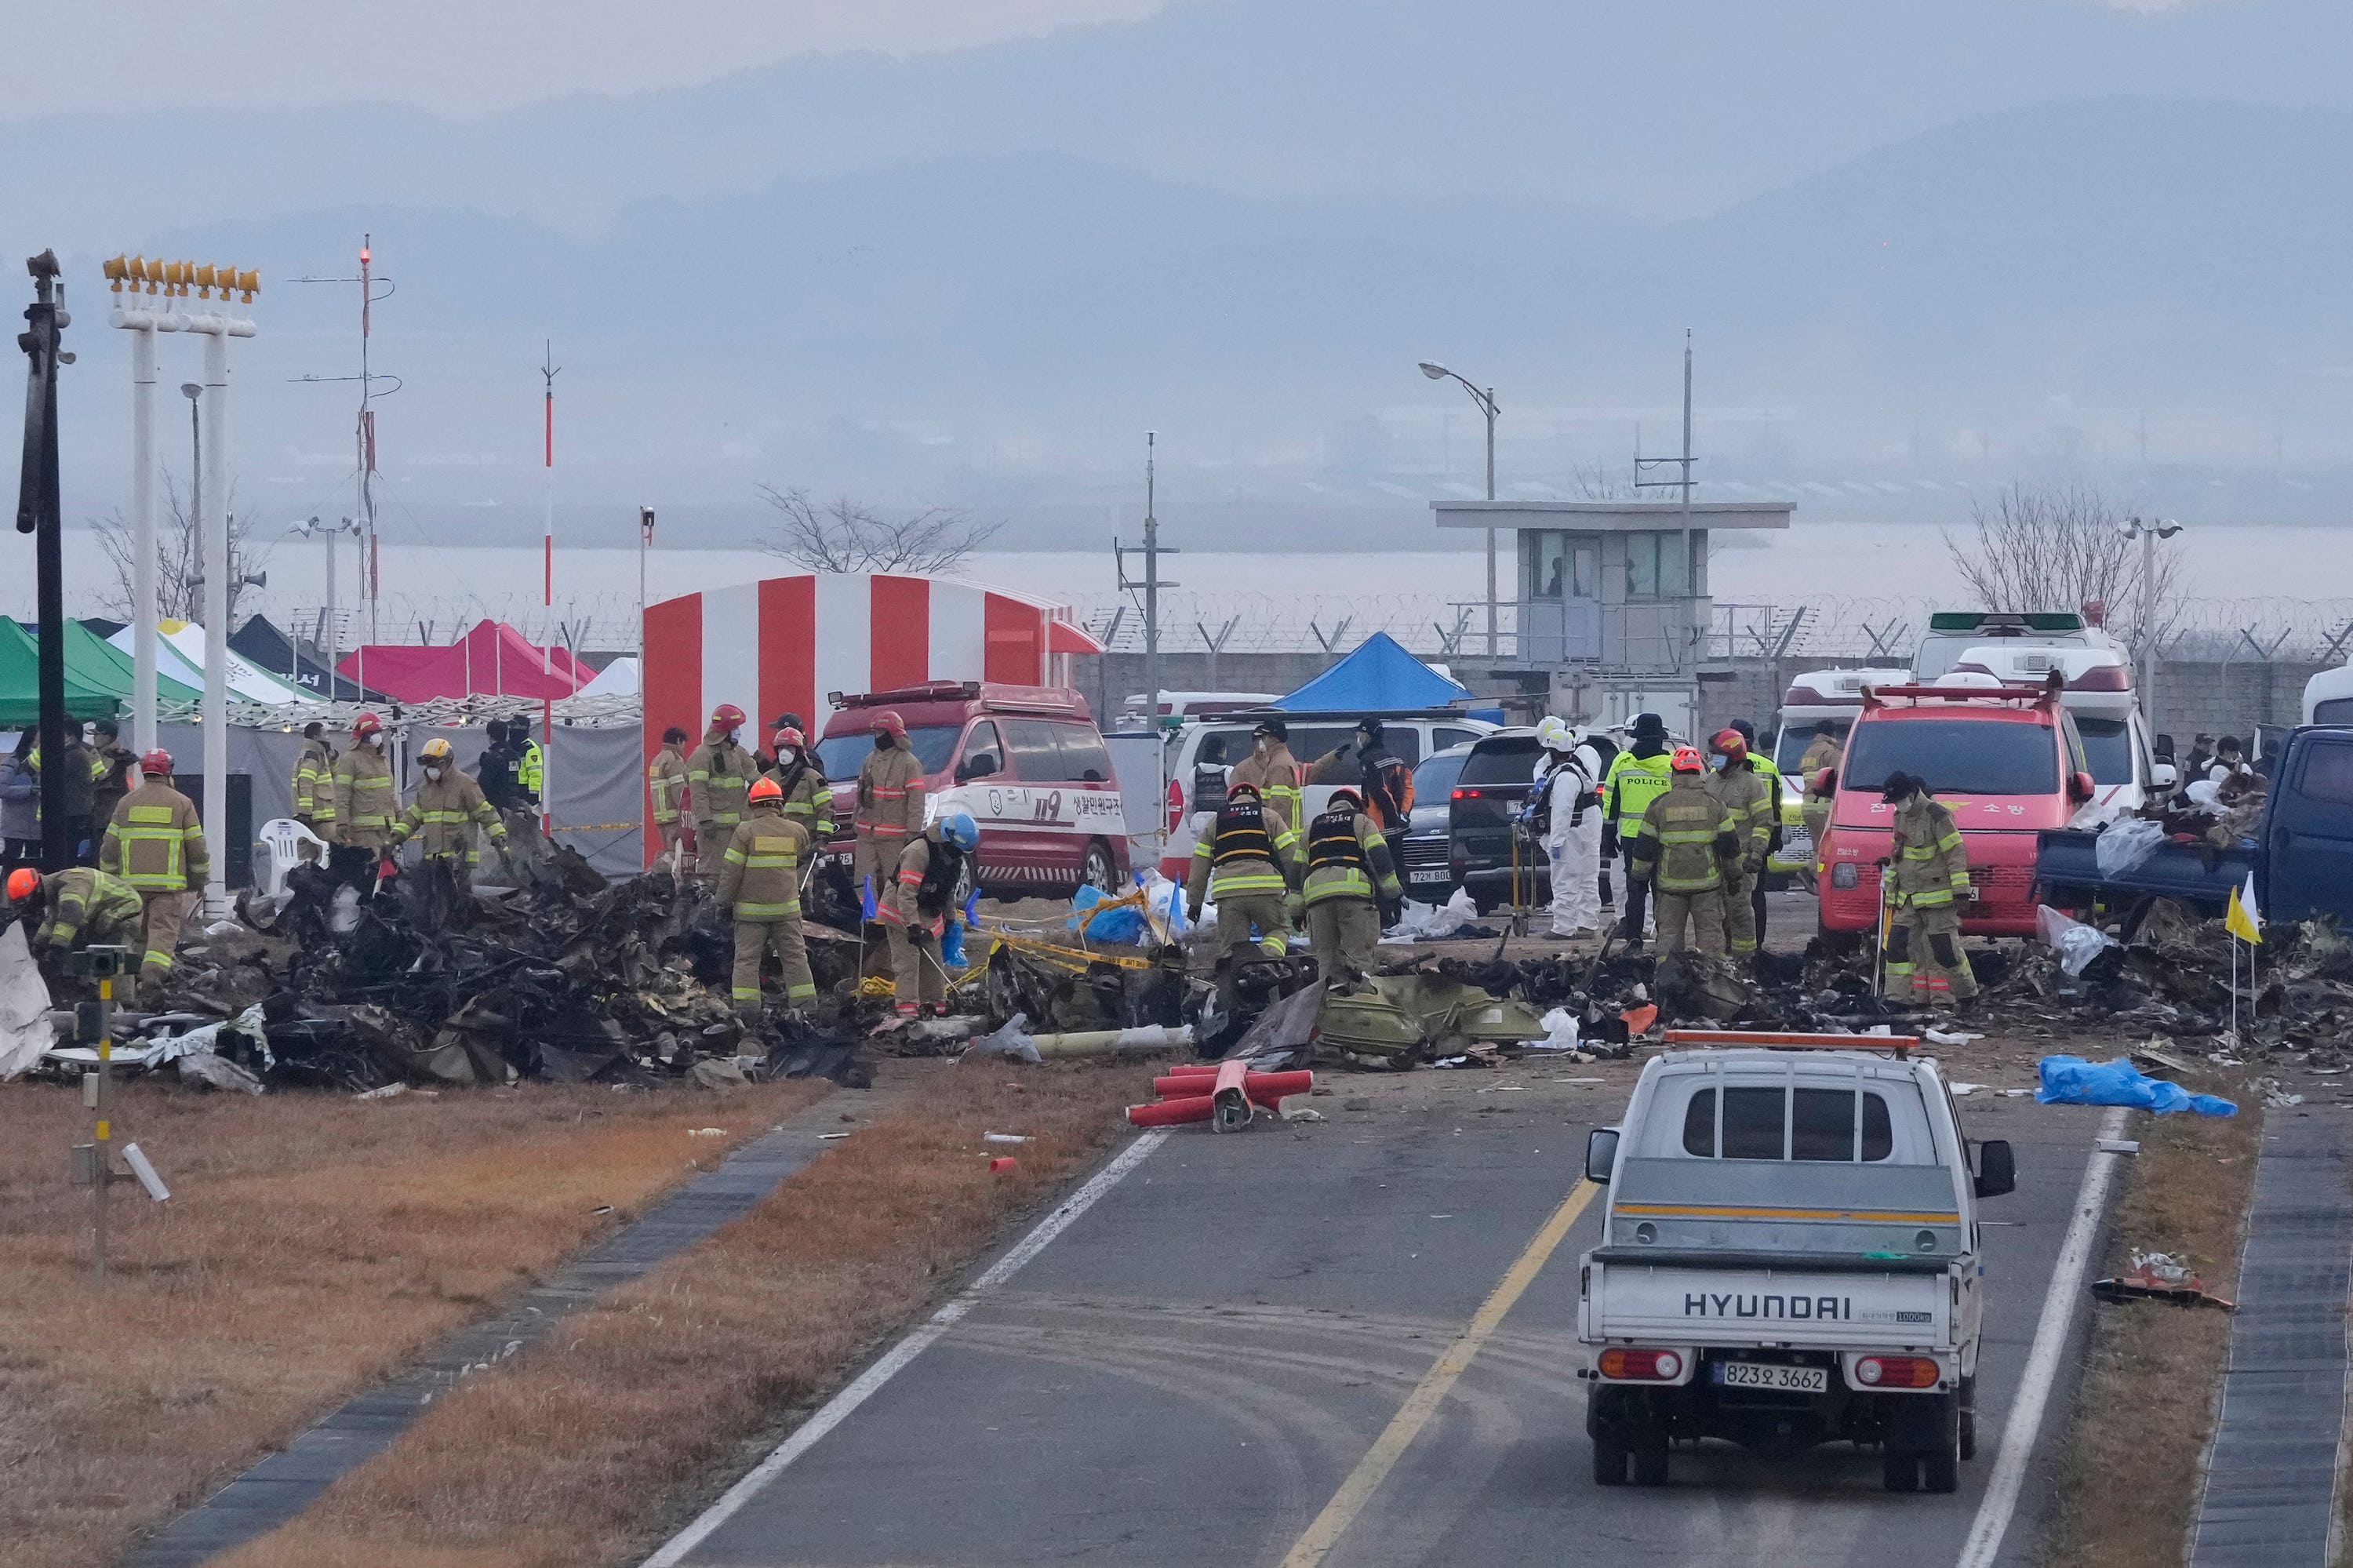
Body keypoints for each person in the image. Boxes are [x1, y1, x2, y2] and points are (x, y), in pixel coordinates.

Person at [98, 747, 209, 1000]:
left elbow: (109, 848)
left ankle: (126, 992)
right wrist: (199, 880)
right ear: (168, 771)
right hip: (168, 889)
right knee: (161, 937)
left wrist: (112, 881)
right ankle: (151, 983)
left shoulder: (126, 803)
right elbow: (198, 849)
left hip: (131, 889)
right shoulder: (182, 803)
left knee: (137, 938)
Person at [715, 775, 816, 1019]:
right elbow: (803, 858)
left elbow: (731, 872)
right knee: (794, 958)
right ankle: (806, 1009)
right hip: (787, 912)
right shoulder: (797, 831)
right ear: (779, 804)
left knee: (747, 961)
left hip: (751, 914)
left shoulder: (744, 832)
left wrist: (722, 903)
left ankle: (748, 1012)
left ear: (753, 805)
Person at [1624, 745, 1740, 956]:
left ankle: (1669, 983)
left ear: (1674, 772)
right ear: (1698, 772)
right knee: (1710, 939)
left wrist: (1639, 877)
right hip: (1708, 886)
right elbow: (1730, 847)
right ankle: (1712, 983)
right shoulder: (1714, 804)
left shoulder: (1659, 805)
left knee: (1668, 938)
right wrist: (1734, 877)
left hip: (1670, 888)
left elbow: (1644, 849)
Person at [1184, 780, 1300, 991]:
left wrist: (1195, 903)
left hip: (1229, 895)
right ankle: (1266, 963)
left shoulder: (1216, 822)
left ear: (1231, 800)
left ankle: (1238, 993)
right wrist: (1298, 891)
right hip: (1266, 890)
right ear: (1258, 799)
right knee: (1277, 930)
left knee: (1233, 950)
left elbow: (1200, 863)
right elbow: (1291, 855)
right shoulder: (1269, 817)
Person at [1880, 771, 1977, 1009]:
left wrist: (1961, 891)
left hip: (1937, 898)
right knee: (1897, 945)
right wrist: (1890, 892)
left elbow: (1955, 854)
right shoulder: (1899, 817)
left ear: (1912, 794)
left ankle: (1967, 993)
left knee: (1945, 950)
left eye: (1900, 799)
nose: (1898, 805)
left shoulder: (1938, 815)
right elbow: (1898, 858)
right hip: (1909, 897)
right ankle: (1897, 1000)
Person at [878, 808, 977, 1019]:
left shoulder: (953, 859)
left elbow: (947, 891)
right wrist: (913, 926)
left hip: (928, 913)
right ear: (948, 839)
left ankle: (935, 1005)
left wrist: (950, 919)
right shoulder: (918, 852)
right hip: (899, 911)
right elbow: (906, 894)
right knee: (908, 961)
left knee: (934, 958)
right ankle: (907, 1010)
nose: (960, 855)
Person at [1297, 784, 1402, 979]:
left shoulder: (1311, 828)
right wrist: (1394, 894)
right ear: (1357, 806)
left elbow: (1298, 871)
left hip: (1317, 900)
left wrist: (1296, 911)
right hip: (1354, 898)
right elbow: (1380, 858)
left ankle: (1329, 1003)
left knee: (1325, 961)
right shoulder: (1361, 822)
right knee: (1359, 957)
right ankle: (1362, 1003)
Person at [387, 737, 507, 887]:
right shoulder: (425, 791)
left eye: (434, 763)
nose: (431, 768)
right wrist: (393, 840)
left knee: (458, 904)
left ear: (447, 761)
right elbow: (411, 819)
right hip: (433, 861)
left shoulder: (465, 785)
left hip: (459, 862)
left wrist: (498, 835)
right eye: (427, 764)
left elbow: (485, 813)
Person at [9, 864, 147, 993]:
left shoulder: (70, 885)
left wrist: (57, 948)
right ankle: (88, 988)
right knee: (87, 942)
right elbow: (51, 921)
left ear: (36, 890)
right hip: (102, 913)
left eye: (27, 900)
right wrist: (38, 945)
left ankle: (121, 1001)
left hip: (126, 908)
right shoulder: (54, 891)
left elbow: (71, 916)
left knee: (113, 953)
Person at [1601, 713, 1676, 948]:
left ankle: (1634, 940)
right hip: (1666, 838)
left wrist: (1607, 833)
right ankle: (1665, 939)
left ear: (1636, 736)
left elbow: (1611, 800)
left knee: (1635, 890)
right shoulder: (1672, 764)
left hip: (1633, 838)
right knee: (1663, 890)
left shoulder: (1622, 762)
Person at [1532, 715, 1606, 937]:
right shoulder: (1574, 761)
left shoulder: (1569, 772)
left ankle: (1564, 927)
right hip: (1587, 821)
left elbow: (1562, 808)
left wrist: (1556, 840)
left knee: (1565, 875)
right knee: (1587, 874)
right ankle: (1587, 924)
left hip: (1575, 823)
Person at [1705, 729, 1776, 961]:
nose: (1714, 761)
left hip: (1741, 862)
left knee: (1740, 913)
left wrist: (1757, 853)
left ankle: (1745, 960)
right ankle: (1720, 958)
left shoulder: (1752, 785)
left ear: (1734, 757)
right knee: (1714, 915)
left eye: (1719, 756)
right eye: (1712, 755)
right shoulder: (1709, 782)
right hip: (1711, 862)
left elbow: (1764, 823)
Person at [853, 709, 927, 901]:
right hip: (866, 834)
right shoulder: (869, 760)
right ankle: (868, 921)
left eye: (880, 733)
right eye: (875, 734)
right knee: (863, 881)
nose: (877, 738)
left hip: (894, 838)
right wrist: (856, 821)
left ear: (892, 734)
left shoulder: (909, 764)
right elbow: (860, 794)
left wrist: (912, 833)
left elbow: (916, 802)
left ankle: (891, 922)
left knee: (893, 882)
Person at [686, 704, 761, 880]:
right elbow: (698, 791)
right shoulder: (702, 755)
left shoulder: (739, 753)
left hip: (740, 828)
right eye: (735, 729)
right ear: (725, 731)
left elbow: (757, 781)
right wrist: (705, 820)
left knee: (739, 872)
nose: (738, 732)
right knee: (713, 873)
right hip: (714, 830)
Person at [1306, 718, 1414, 839]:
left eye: (1360, 735)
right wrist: (1403, 815)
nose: (1359, 738)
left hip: (1379, 830)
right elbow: (1408, 789)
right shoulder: (1395, 759)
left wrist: (1393, 817)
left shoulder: (1369, 761)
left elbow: (1379, 792)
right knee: (1397, 857)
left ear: (1368, 736)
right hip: (1397, 830)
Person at [332, 711, 401, 886]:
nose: (378, 736)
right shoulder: (350, 759)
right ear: (364, 737)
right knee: (371, 875)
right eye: (373, 732)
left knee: (388, 876)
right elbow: (342, 795)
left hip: (386, 829)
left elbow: (389, 793)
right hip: (364, 832)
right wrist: (342, 824)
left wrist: (400, 816)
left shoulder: (381, 759)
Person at [29, 723, 100, 865]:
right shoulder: (75, 752)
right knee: (66, 851)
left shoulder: (75, 755)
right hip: (72, 812)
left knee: (68, 853)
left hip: (74, 814)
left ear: (71, 737)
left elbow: (51, 771)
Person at [1227, 717, 1305, 831]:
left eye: (1264, 737)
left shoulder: (1279, 765)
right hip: (1281, 830)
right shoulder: (1279, 761)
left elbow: (1279, 804)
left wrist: (1267, 829)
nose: (1261, 742)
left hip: (1279, 831)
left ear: (1273, 740)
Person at [766, 726, 835, 840]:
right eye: (781, 748)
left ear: (798, 751)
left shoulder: (813, 778)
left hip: (804, 843)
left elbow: (826, 810)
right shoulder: (768, 778)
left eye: (789, 748)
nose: (784, 752)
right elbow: (754, 811)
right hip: (774, 843)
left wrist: (823, 838)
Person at [1797, 722, 1843, 871]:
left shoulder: (1808, 752)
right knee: (1830, 848)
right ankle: (1809, 871)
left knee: (1818, 847)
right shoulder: (1831, 752)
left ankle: (1818, 882)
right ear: (1832, 734)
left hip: (1808, 806)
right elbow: (1841, 777)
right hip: (1825, 806)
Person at [647, 726, 691, 872]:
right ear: (679, 741)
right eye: (683, 744)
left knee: (667, 851)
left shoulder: (656, 760)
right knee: (675, 856)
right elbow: (680, 792)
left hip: (661, 818)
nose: (684, 748)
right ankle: (654, 874)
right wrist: (687, 814)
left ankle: (654, 875)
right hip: (674, 818)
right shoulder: (674, 760)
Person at [289, 721, 338, 848]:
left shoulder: (320, 754)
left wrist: (332, 755)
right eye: (325, 734)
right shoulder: (312, 756)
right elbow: (305, 784)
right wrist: (305, 813)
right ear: (316, 737)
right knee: (328, 854)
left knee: (313, 856)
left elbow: (334, 773)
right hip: (319, 817)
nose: (328, 738)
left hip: (320, 817)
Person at [88, 719, 137, 835]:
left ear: (107, 737)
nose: (94, 738)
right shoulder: (97, 755)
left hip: (111, 815)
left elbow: (130, 787)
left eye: (97, 734)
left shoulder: (119, 759)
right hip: (99, 815)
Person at [1, 732, 38, 877]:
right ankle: (5, 897)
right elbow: (2, 788)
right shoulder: (11, 761)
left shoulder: (44, 760)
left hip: (35, 825)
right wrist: (29, 790)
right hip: (14, 825)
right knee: (11, 863)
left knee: (33, 866)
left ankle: (31, 898)